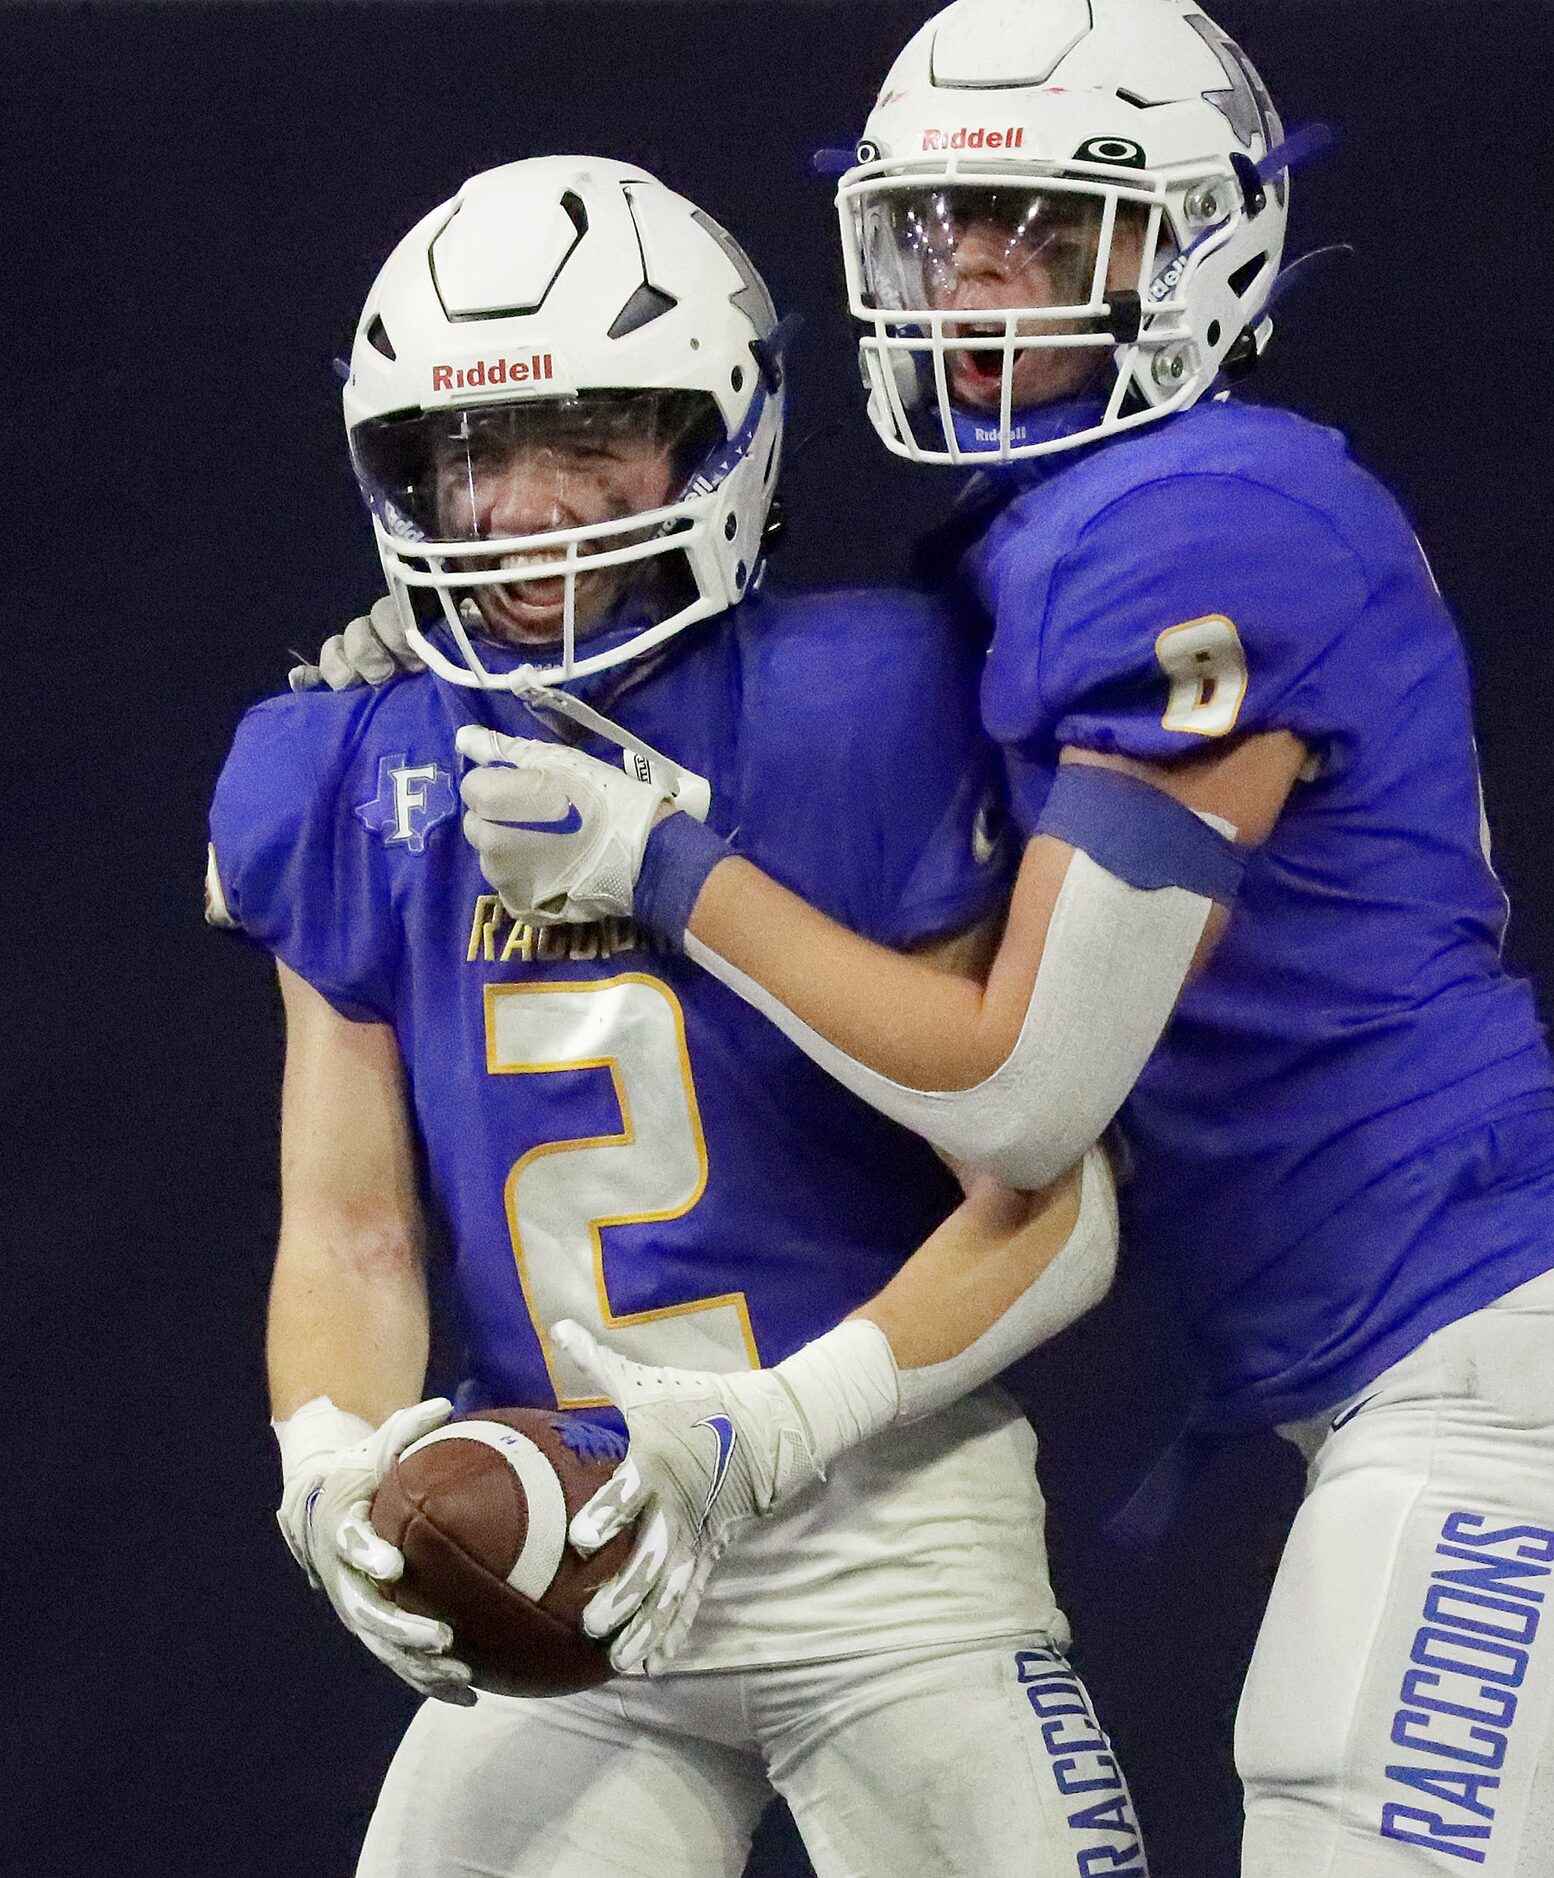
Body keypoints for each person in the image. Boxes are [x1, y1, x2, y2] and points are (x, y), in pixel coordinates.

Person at [440, 9, 1554, 1875]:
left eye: (1048, 230)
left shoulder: (1190, 519)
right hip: (1484, 1363)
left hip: (1502, 1360)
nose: (978, 275)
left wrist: (668, 871)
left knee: (1342, 1802)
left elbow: (1026, 1095)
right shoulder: (1069, 530)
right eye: (950, 224)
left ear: (1207, 247)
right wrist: (452, 689)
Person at [212, 154, 1147, 1878]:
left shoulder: (870, 698)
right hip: (567, 1547)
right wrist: (331, 1462)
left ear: (718, 434)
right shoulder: (334, 769)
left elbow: (1050, 1189)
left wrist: (772, 1431)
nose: (516, 512)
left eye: (588, 438)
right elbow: (347, 1230)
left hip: (885, 1535)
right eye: (469, 452)